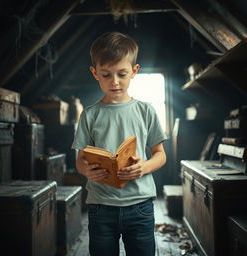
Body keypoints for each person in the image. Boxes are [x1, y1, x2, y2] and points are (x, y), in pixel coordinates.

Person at [72, 31, 167, 256]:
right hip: (101, 207)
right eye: (106, 75)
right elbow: (80, 160)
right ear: (95, 73)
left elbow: (160, 154)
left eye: (122, 74)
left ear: (134, 71)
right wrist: (88, 171)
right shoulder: (90, 115)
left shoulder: (146, 111)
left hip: (140, 206)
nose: (114, 82)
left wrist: (144, 167)